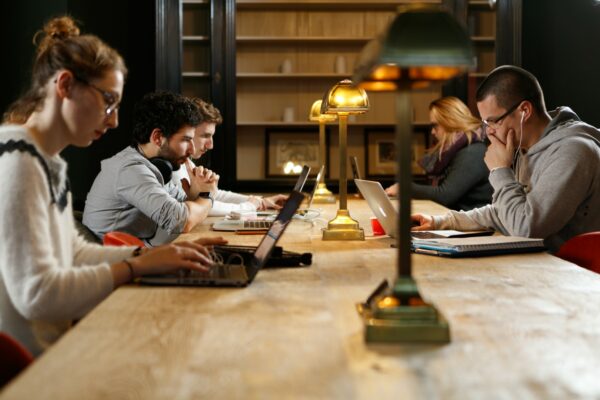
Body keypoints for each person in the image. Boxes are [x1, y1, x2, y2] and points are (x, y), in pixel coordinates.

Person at [0, 16, 224, 356]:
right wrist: (135, 267)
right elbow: (37, 295)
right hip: (37, 363)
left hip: (57, 346)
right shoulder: (19, 163)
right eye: (108, 101)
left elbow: (74, 254)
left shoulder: (46, 160)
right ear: (65, 85)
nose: (114, 120)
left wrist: (153, 255)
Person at [412, 65, 600, 253]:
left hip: (571, 268)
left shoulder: (572, 151)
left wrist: (500, 170)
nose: (489, 131)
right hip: (541, 262)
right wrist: (441, 222)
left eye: (493, 121)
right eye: (486, 123)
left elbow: (526, 229)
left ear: (524, 111)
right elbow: (504, 213)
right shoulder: (524, 148)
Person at [83, 91, 218, 246]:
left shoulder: (157, 165)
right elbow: (181, 221)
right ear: (157, 137)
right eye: (186, 140)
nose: (192, 150)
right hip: (113, 257)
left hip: (136, 250)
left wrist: (195, 194)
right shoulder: (130, 170)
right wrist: (208, 195)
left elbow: (183, 208)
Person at [172, 98, 287, 216]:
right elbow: (200, 206)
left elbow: (212, 195)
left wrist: (259, 201)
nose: (211, 145)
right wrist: (250, 206)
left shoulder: (186, 162)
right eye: (205, 136)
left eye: (211, 136)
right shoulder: (174, 167)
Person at [385, 96, 492, 211]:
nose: (432, 132)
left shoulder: (473, 152)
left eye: (435, 125)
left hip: (472, 221)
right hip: (457, 218)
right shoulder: (458, 150)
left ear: (450, 122)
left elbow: (445, 195)